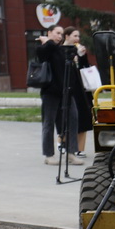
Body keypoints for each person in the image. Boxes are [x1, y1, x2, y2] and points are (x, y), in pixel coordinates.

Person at [36, 25, 84, 166]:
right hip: (50, 92)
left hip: (67, 92)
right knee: (49, 123)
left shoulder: (61, 49)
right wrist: (48, 41)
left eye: (61, 34)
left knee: (73, 120)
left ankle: (71, 153)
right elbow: (42, 55)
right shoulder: (45, 48)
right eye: (57, 33)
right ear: (49, 33)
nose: (59, 36)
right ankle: (49, 155)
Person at [62, 26, 94, 158]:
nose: (77, 39)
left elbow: (85, 68)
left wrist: (82, 56)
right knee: (71, 117)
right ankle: (63, 142)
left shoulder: (78, 50)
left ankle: (80, 148)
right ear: (67, 36)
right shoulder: (62, 50)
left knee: (85, 116)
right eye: (75, 36)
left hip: (82, 88)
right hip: (70, 88)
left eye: (78, 36)